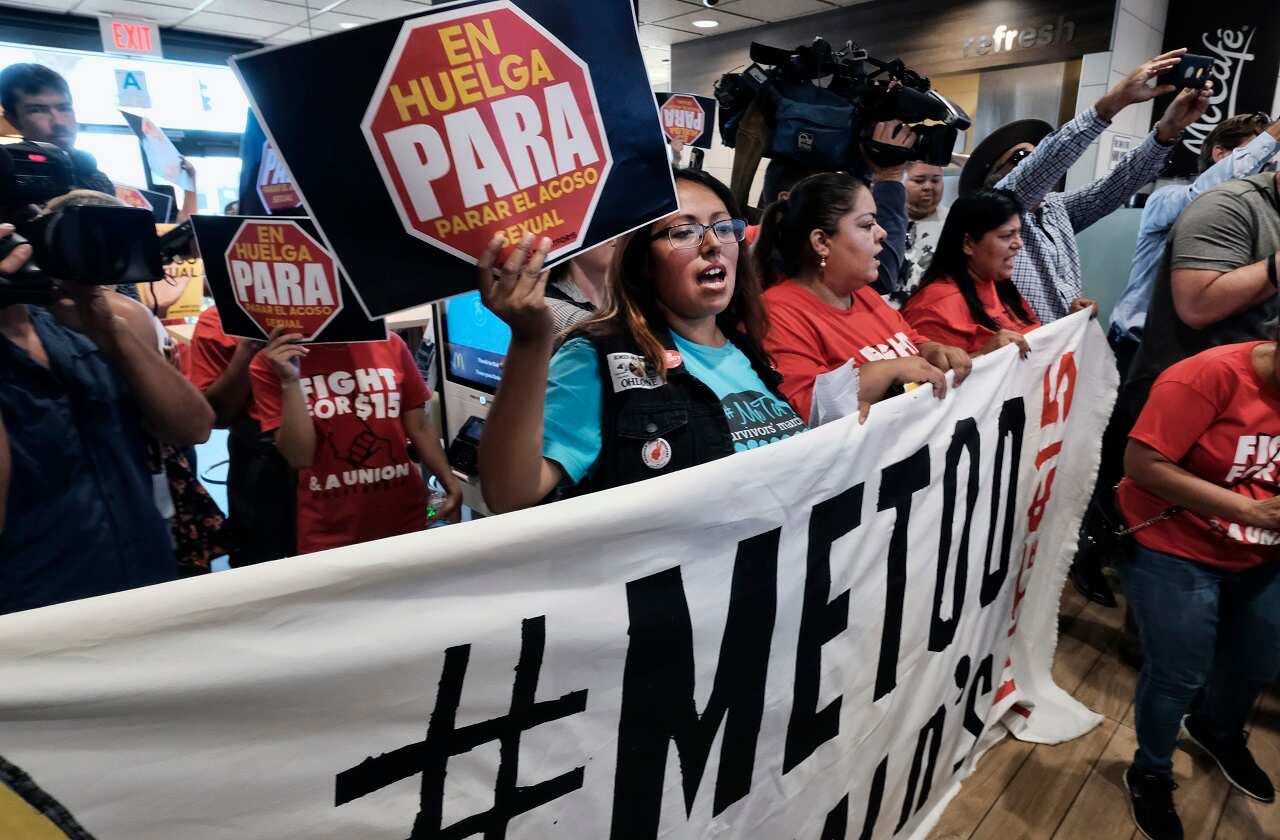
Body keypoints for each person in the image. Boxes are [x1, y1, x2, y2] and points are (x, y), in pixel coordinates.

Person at [477, 168, 805, 513]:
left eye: (724, 228)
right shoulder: (597, 356)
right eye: (684, 232)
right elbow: (508, 493)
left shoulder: (745, 350)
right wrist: (529, 342)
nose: (712, 245)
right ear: (642, 261)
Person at [1073, 114, 1280, 607]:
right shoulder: (1192, 200)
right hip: (1162, 360)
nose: (1257, 165)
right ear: (1222, 154)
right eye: (1251, 155)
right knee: (1125, 480)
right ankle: (1097, 553)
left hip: (1237, 385)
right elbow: (1199, 304)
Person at [0, 224, 214, 615]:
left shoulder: (79, 325)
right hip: (34, 614)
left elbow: (193, 428)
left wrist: (109, 330)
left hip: (145, 583)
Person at [1116, 337, 1280, 840]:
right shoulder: (1209, 376)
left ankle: (1216, 730)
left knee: (1258, 660)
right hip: (1175, 541)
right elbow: (1141, 464)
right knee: (1177, 672)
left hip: (1261, 550)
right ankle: (1151, 770)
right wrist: (1249, 510)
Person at [959, 50, 1212, 323]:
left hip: (1066, 349)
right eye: (1020, 158)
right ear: (995, 177)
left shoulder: (1055, 208)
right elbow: (1048, 160)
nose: (1031, 159)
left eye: (1034, 152)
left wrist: (1167, 130)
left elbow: (1116, 185)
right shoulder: (998, 204)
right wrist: (1116, 100)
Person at [754, 171, 972, 423]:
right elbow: (803, 411)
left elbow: (911, 342)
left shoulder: (863, 294)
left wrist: (931, 349)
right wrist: (888, 371)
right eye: (867, 225)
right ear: (822, 242)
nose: (882, 233)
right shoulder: (777, 313)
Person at [250, 331, 463, 555]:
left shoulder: (390, 344)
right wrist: (290, 381)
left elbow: (418, 425)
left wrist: (450, 483)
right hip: (330, 532)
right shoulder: (270, 362)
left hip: (407, 516)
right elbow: (299, 456)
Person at [1110, 113, 1280, 374]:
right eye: (1258, 160)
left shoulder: (1259, 212)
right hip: (1137, 350)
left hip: (1204, 359)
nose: (1263, 173)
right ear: (1221, 154)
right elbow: (1203, 196)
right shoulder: (1166, 199)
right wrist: (1273, 135)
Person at [902, 189, 1095, 356]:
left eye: (1018, 233)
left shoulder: (999, 286)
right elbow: (924, 388)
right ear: (968, 243)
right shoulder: (933, 308)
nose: (1018, 244)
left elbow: (1033, 348)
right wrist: (984, 356)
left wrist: (1071, 321)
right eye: (1006, 235)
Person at [187, 309, 298, 566]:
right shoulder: (217, 321)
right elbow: (217, 416)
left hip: (332, 447)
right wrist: (247, 348)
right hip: (261, 457)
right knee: (262, 563)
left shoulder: (332, 315)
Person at [0, 63, 113, 193]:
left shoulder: (95, 177)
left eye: (64, 108)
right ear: (13, 120)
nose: (59, 122)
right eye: (37, 110)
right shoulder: (5, 175)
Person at [893, 161, 949, 305]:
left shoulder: (953, 223)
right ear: (901, 180)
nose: (928, 187)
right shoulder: (882, 220)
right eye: (919, 180)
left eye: (935, 180)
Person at [544, 238, 614, 334]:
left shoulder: (632, 291)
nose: (615, 239)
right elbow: (598, 329)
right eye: (603, 226)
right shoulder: (546, 304)